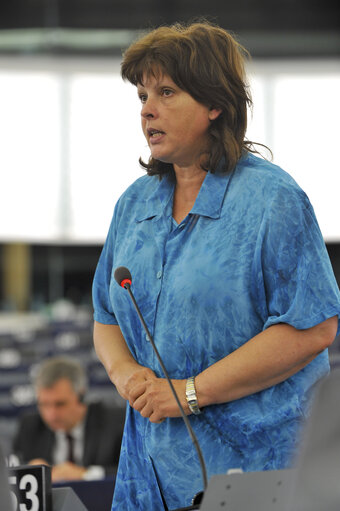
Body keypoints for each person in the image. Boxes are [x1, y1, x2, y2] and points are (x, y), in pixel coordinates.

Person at [92, 21, 340, 510]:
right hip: (149, 474)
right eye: (142, 95)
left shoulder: (273, 199)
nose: (147, 109)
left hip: (255, 472)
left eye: (165, 91)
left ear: (214, 105)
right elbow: (106, 317)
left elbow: (313, 328)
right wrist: (127, 377)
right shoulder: (132, 206)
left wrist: (187, 393)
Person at [12, 356, 125, 482]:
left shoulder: (113, 422)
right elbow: (12, 469)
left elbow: (132, 470)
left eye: (60, 404)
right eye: (43, 404)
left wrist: (86, 474)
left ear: (81, 397)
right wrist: (28, 470)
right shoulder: (30, 426)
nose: (51, 415)